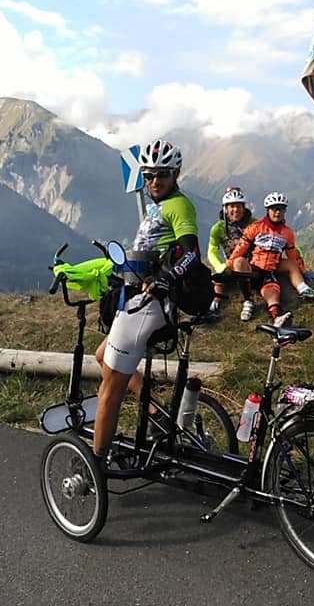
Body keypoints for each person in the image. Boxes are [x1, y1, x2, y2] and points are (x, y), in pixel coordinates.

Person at [92, 138, 200, 464]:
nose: (154, 181)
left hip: (148, 304)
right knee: (102, 356)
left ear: (175, 173)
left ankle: (96, 466)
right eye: (149, 175)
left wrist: (167, 278)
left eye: (162, 175)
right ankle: (156, 413)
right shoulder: (159, 205)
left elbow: (192, 253)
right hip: (137, 298)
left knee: (110, 391)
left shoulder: (179, 205)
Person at [227, 191, 314, 325]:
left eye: (281, 209)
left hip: (270, 271)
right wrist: (230, 264)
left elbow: (292, 255)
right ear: (268, 210)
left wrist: (303, 270)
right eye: (274, 209)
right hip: (253, 268)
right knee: (239, 261)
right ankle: (248, 301)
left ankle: (283, 312)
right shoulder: (255, 227)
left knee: (274, 292)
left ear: (285, 211)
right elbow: (240, 248)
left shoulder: (287, 233)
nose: (277, 212)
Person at [206, 186, 254, 317]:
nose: (235, 210)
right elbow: (211, 252)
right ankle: (214, 305)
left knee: (239, 261)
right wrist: (220, 267)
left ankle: (248, 301)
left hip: (253, 266)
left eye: (239, 206)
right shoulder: (218, 228)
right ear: (225, 209)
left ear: (244, 208)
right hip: (231, 266)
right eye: (232, 206)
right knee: (217, 277)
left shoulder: (254, 224)